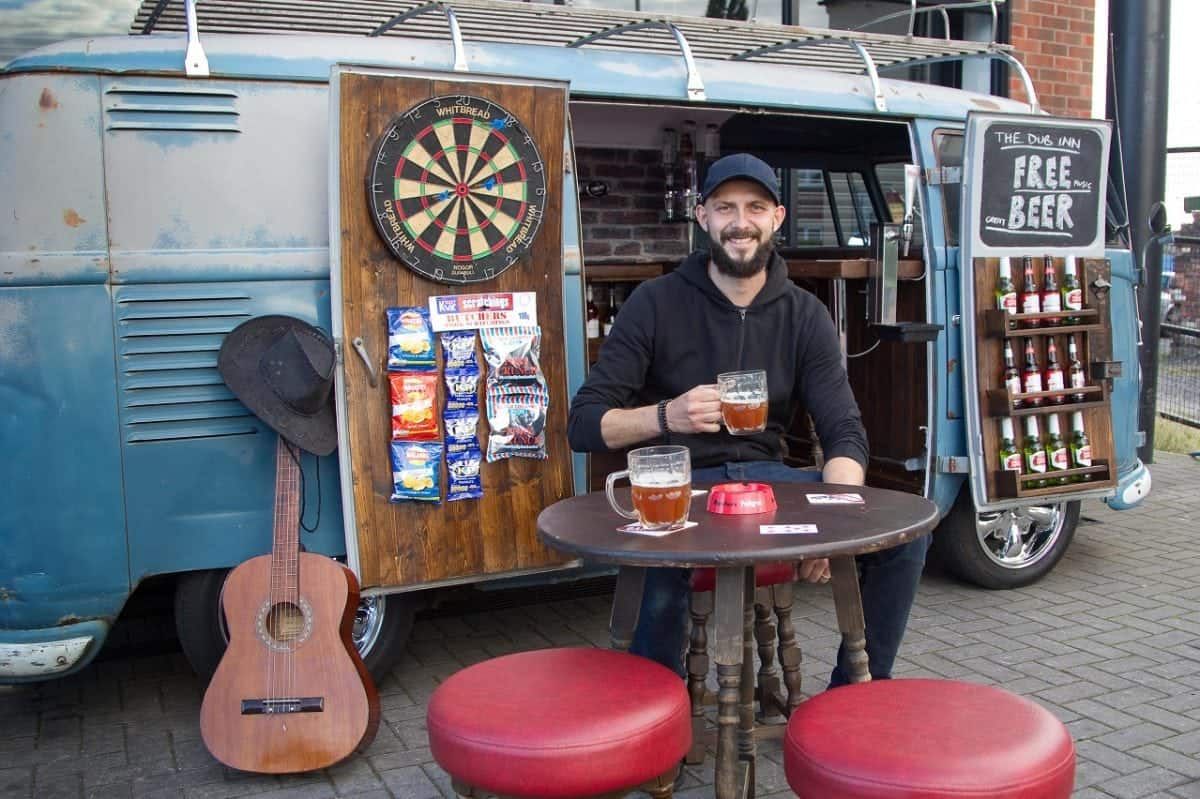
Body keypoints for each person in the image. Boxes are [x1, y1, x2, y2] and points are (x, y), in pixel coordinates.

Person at [567, 153, 929, 687]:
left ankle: (855, 695)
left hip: (771, 487)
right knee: (658, 576)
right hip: (685, 490)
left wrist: (839, 522)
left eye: (755, 207)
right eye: (725, 207)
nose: (741, 221)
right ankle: (655, 718)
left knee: (906, 534)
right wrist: (668, 415)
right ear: (702, 217)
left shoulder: (805, 313)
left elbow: (844, 431)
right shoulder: (655, 302)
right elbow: (584, 424)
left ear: (777, 218)